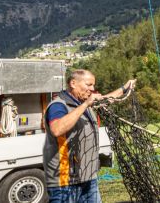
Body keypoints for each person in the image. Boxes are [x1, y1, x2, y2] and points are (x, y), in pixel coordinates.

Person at [43, 70, 135, 203]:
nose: (92, 89)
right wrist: (86, 104)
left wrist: (125, 87)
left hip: (88, 177)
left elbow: (109, 98)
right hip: (65, 182)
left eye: (93, 85)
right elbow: (57, 129)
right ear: (73, 83)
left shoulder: (84, 102)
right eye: (88, 85)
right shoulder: (58, 105)